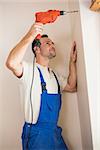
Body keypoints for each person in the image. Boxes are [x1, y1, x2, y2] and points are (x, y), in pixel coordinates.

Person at [5, 23, 77, 150]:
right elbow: (11, 63)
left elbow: (71, 86)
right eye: (48, 43)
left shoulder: (54, 75)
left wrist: (72, 61)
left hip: (54, 133)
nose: (52, 45)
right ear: (36, 49)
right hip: (37, 136)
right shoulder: (29, 70)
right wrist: (30, 35)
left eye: (52, 43)